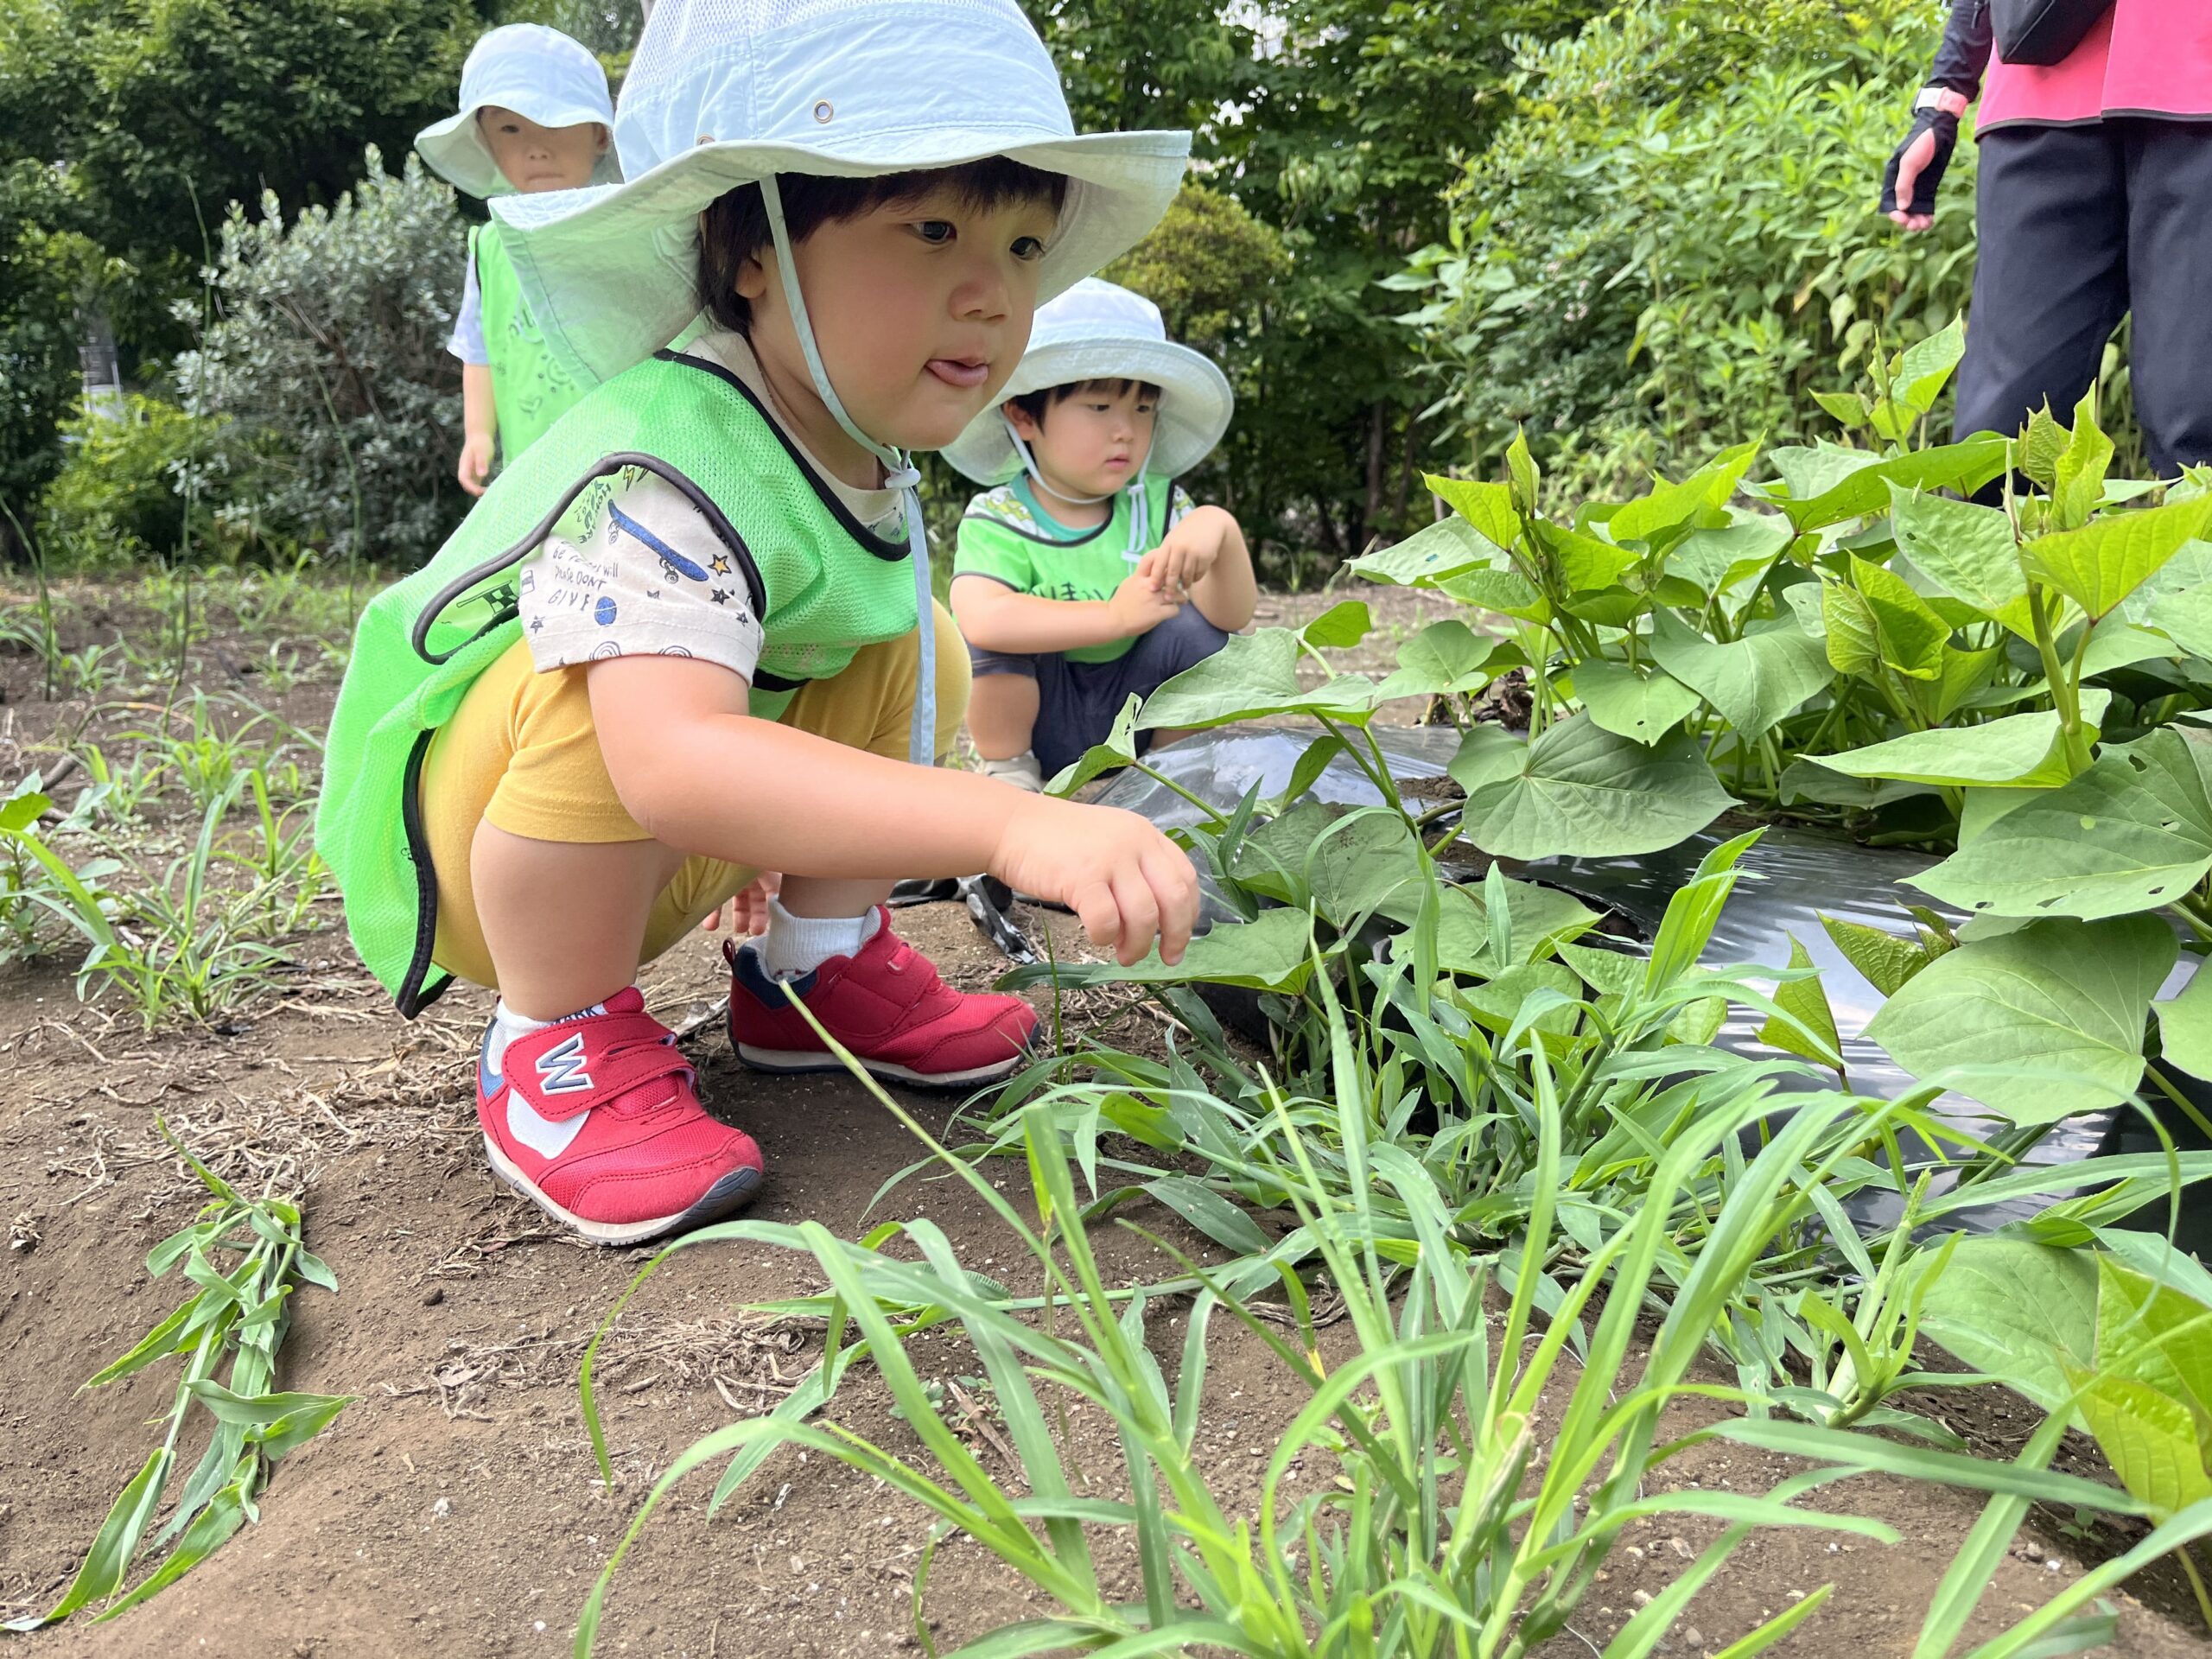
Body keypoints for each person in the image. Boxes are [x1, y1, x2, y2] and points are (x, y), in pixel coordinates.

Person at [315, 0, 1198, 1246]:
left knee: (907, 633)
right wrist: (1009, 821)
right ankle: (552, 1042)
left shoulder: (843, 445)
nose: (993, 295)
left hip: (652, 840)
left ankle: (813, 970)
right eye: (932, 228)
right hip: (492, 863)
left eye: (1021, 246)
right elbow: (671, 760)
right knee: (614, 668)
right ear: (754, 252)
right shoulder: (672, 455)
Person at [944, 279, 1255, 791]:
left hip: (1142, 716)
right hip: (1043, 720)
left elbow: (1230, 619)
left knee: (1198, 635)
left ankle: (1171, 775)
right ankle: (1010, 772)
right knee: (995, 642)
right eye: (1099, 408)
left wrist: (1219, 528)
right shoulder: (1002, 517)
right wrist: (1113, 617)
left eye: (1142, 409)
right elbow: (982, 616)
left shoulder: (1160, 508)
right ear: (1023, 416)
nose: (1125, 430)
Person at [1881, 0, 2212, 474]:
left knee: (2198, 416)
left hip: (2199, 83)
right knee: (2002, 436)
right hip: (2038, 91)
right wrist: (1943, 98)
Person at [415, 24, 622, 495]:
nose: (536, 148)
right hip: (531, 470)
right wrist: (478, 433)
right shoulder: (491, 247)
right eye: (510, 128)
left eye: (556, 121)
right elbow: (478, 349)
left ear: (600, 135)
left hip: (625, 459)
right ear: (485, 141)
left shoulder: (624, 225)